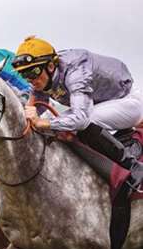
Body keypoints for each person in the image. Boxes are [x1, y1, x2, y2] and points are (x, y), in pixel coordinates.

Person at [12, 35, 143, 191]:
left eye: (32, 72)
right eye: (24, 74)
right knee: (53, 121)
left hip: (128, 102)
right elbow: (36, 109)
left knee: (86, 120)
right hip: (99, 104)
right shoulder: (43, 74)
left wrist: (43, 123)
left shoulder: (76, 70)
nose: (30, 79)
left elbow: (81, 119)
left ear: (50, 67)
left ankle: (134, 167)